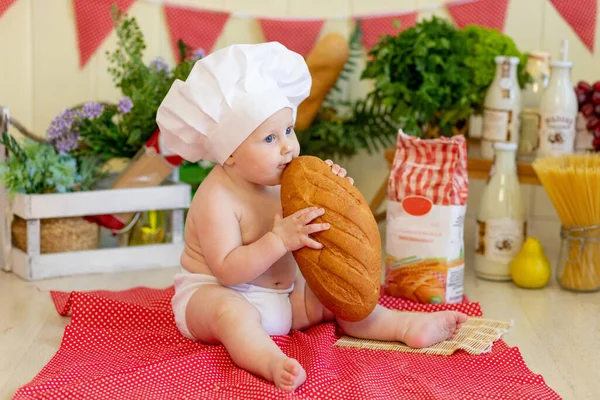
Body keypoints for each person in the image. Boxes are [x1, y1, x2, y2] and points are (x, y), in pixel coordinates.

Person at [157, 42, 467, 392]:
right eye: (270, 138)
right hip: (216, 293)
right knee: (231, 314)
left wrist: (332, 193)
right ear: (229, 155)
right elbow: (227, 271)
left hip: (286, 299)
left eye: (288, 130)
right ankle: (268, 359)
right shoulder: (216, 198)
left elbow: (319, 226)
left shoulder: (284, 179)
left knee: (336, 296)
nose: (288, 146)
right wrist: (278, 240)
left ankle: (401, 326)